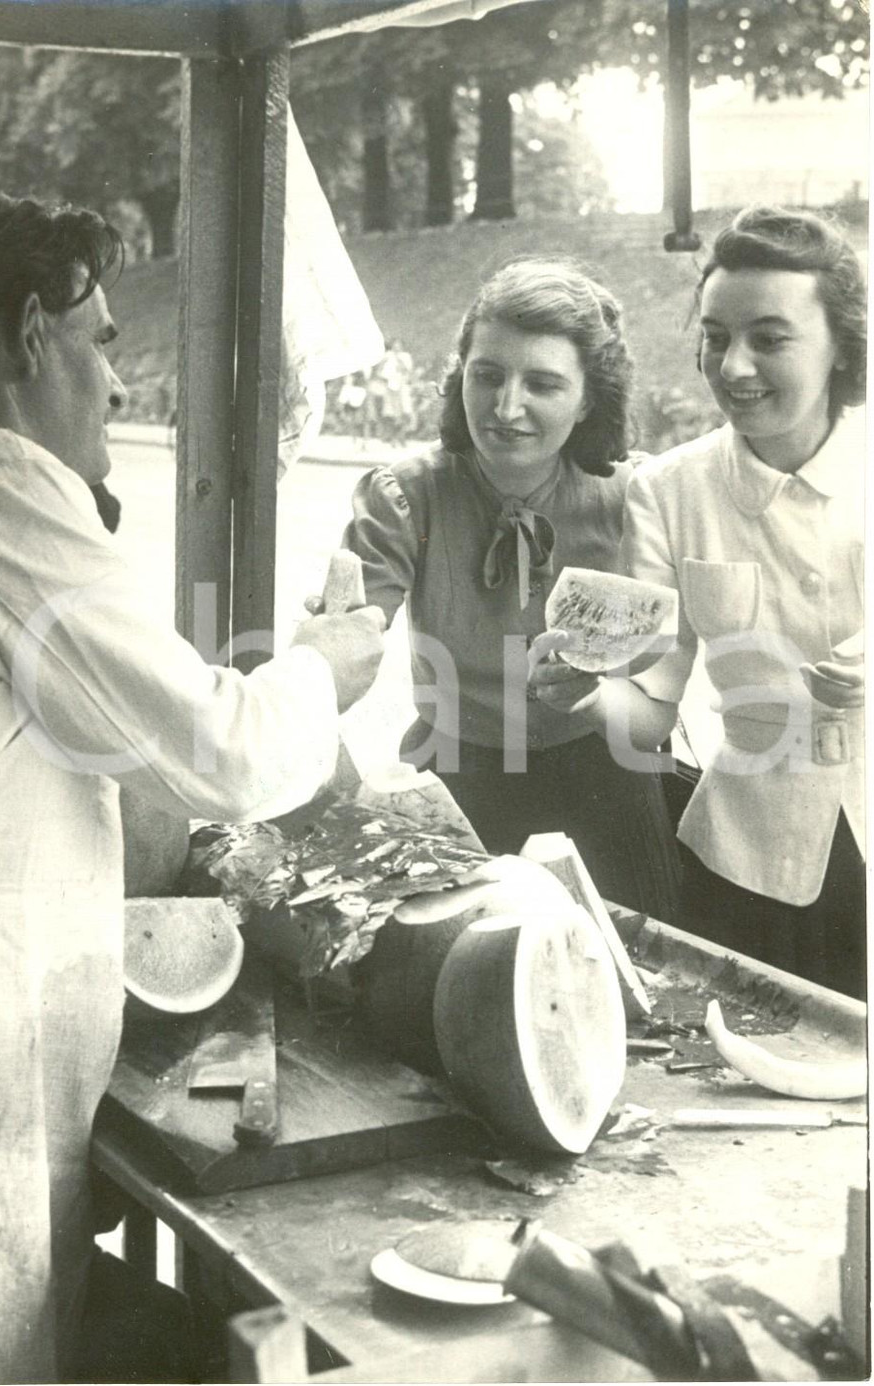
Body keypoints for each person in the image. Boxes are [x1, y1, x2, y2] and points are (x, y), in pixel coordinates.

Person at [0, 186, 386, 1384]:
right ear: (27, 333)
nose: (115, 383)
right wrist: (327, 668)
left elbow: (88, 721)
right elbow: (223, 754)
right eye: (100, 341)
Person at [530, 207, 866, 999]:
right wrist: (586, 694)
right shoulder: (670, 489)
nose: (735, 366)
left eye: (771, 338)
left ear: (842, 345)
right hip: (745, 865)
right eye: (716, 336)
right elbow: (652, 705)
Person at [342, 257, 680, 918]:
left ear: (588, 399)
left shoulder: (638, 499)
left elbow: (664, 689)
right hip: (457, 776)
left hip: (607, 779)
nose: (505, 407)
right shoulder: (404, 496)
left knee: (641, 971)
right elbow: (353, 626)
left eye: (544, 384)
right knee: (440, 983)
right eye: (487, 375)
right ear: (459, 373)